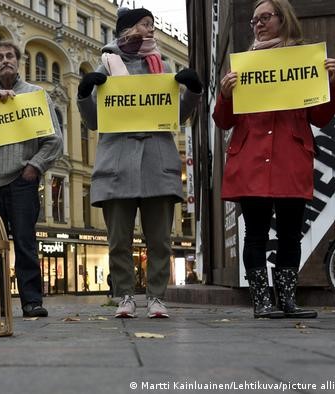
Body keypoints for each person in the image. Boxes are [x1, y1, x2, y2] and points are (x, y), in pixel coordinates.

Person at [213, 0, 335, 319]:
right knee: (256, 232)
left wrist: (334, 85)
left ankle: (287, 300)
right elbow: (223, 121)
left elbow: (320, 117)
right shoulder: (243, 65)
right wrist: (226, 95)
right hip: (251, 157)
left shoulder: (306, 62)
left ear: (283, 19)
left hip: (290, 156)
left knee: (289, 232)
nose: (258, 24)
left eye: (265, 17)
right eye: (254, 20)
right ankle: (262, 301)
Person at [77, 8, 203, 319]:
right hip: (116, 167)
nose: (150, 30)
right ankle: (124, 297)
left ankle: (157, 298)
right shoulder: (104, 66)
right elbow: (94, 122)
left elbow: (175, 116)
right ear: (127, 29)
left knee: (159, 239)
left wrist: (193, 92)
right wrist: (84, 94)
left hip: (157, 165)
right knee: (119, 239)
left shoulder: (162, 66)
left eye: (152, 25)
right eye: (144, 24)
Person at [0, 41, 63, 318]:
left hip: (22, 180)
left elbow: (55, 142)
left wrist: (35, 166)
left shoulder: (37, 95)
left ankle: (31, 301)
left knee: (25, 242)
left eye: (9, 56)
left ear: (19, 61)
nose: (4, 60)